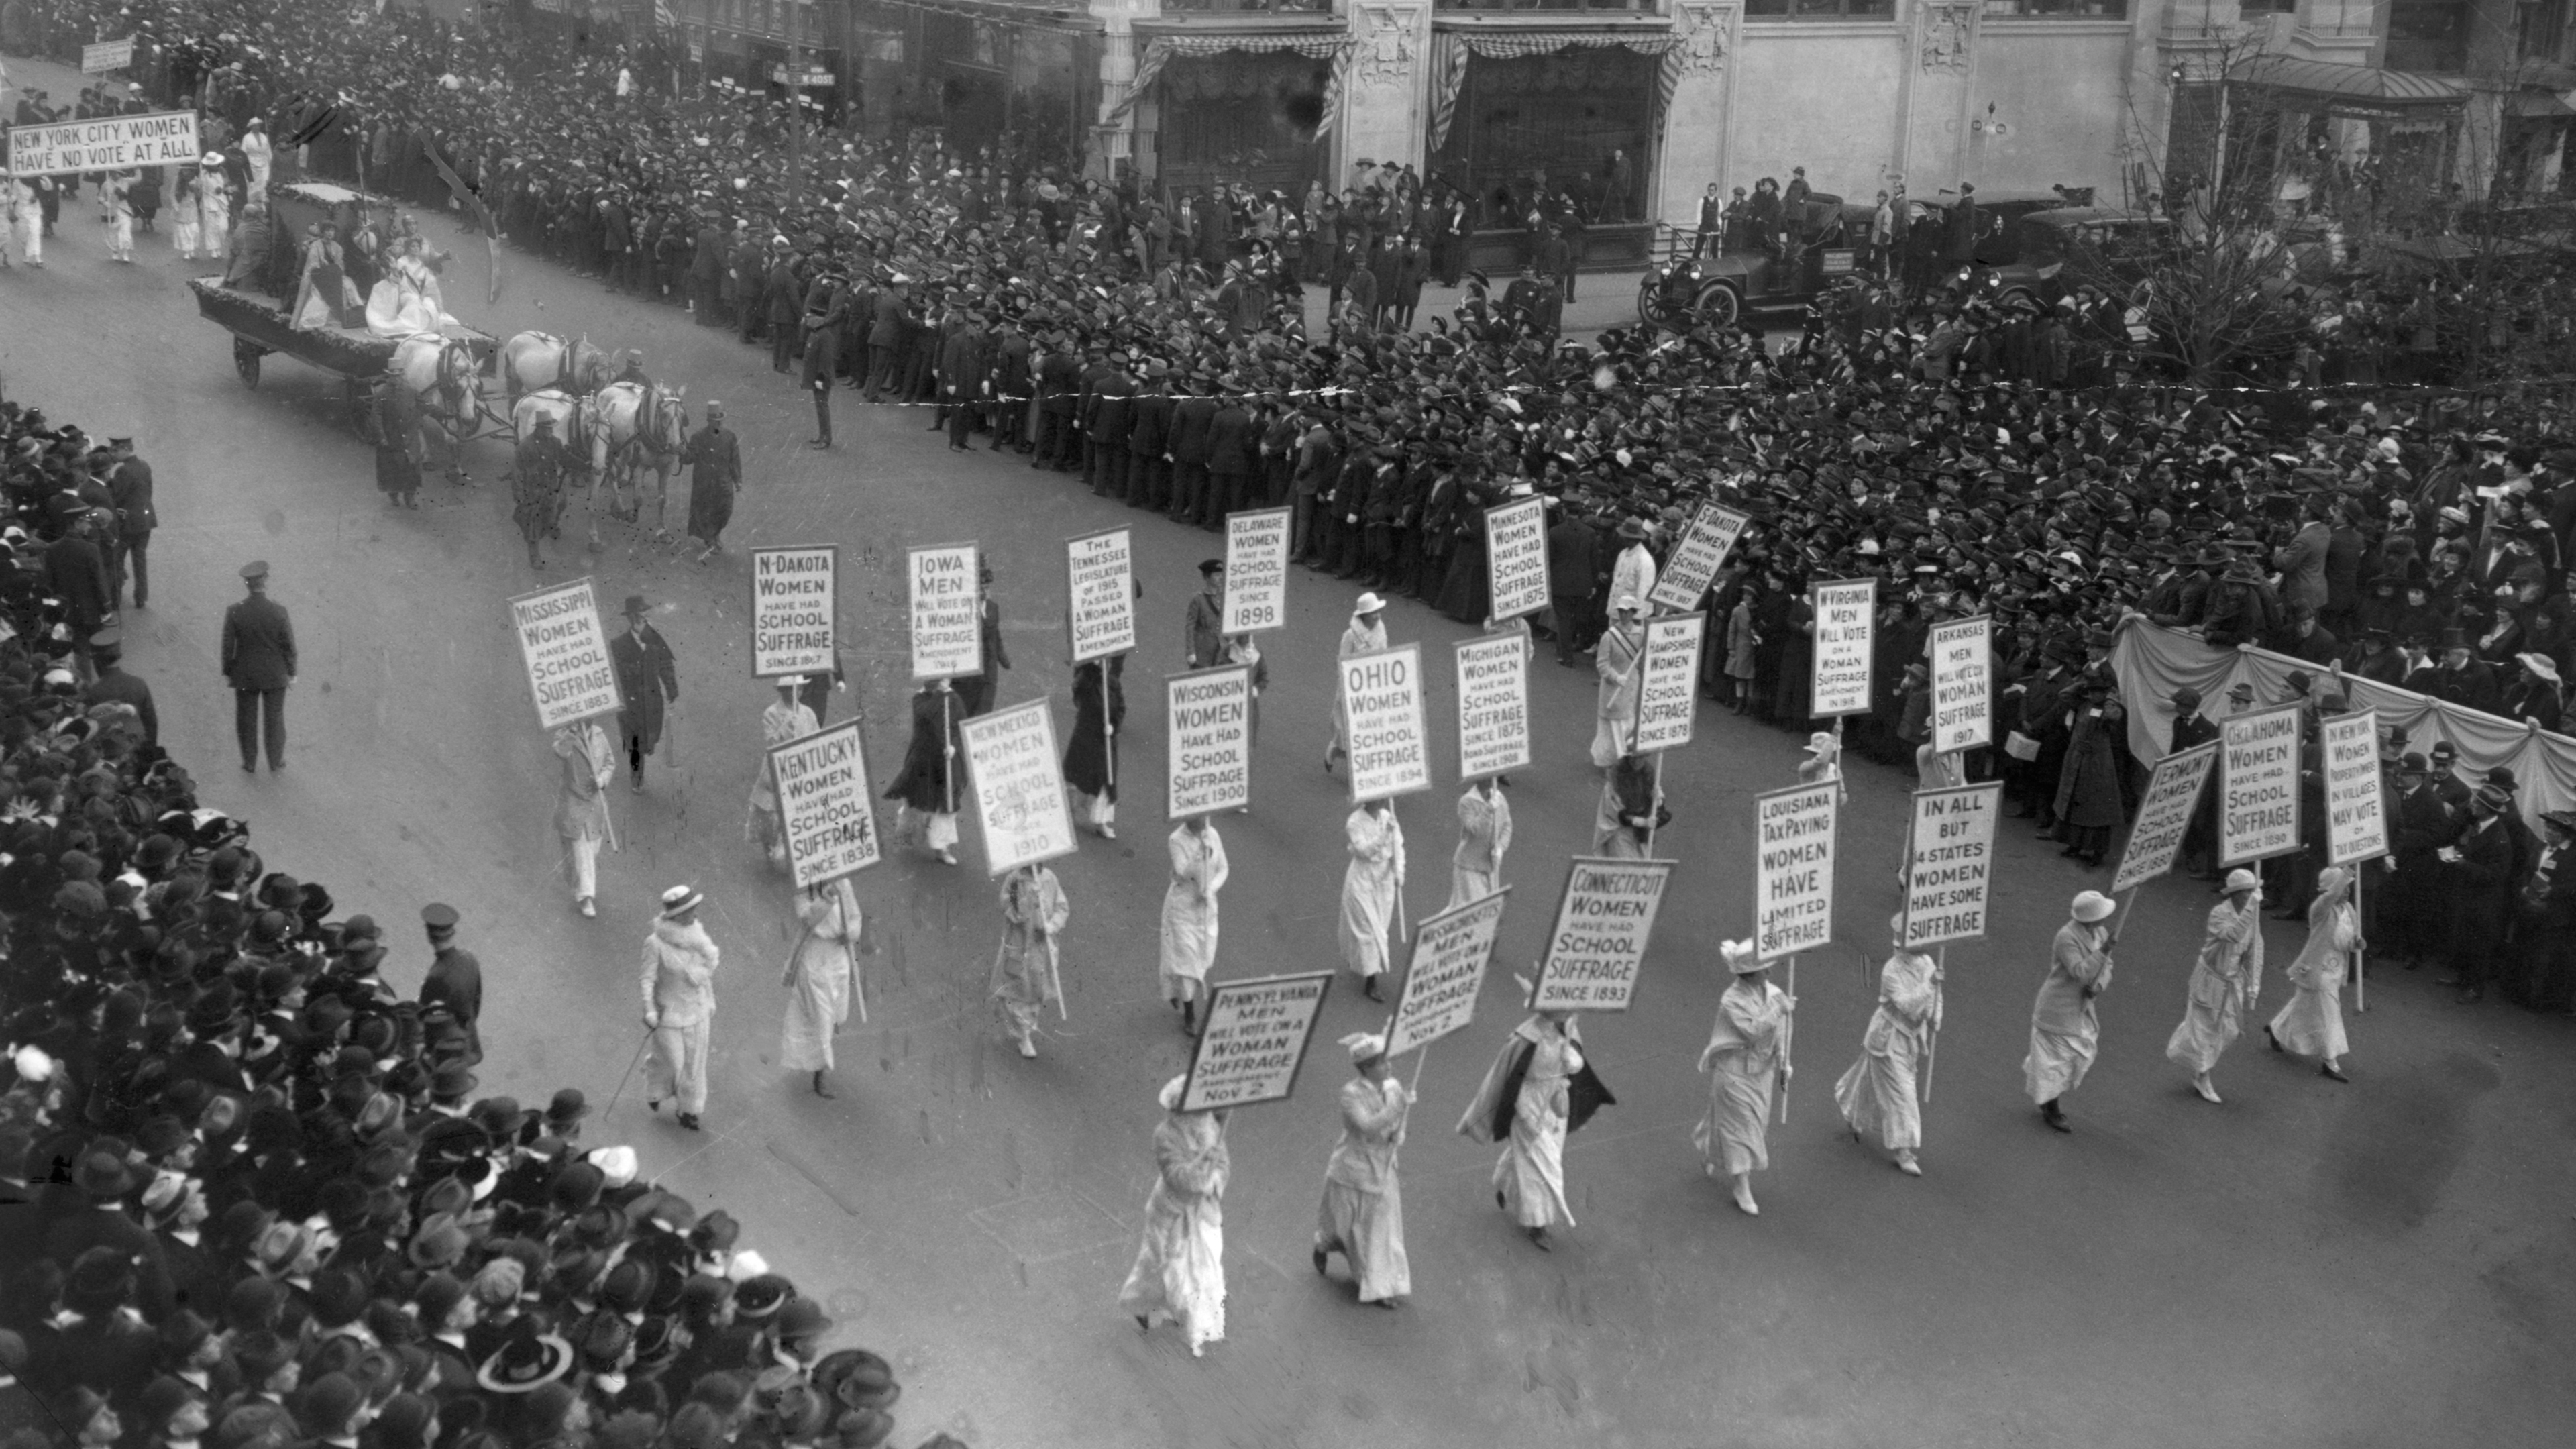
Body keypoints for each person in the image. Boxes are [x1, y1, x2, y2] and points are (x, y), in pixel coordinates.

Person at [1458, 980, 1611, 1252]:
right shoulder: (1525, 1039)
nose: (1567, 1012)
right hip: (1529, 1105)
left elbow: (1576, 1067)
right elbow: (1508, 1076)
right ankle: (1538, 1223)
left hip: (1555, 1107)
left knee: (1532, 1157)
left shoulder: (1569, 1032)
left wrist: (1570, 1057)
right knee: (1545, 1166)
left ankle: (1504, 1184)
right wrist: (1523, 1110)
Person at [1117, 1075, 1230, 1358]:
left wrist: (1216, 1175)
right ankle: (1143, 1303)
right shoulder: (1165, 1135)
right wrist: (1204, 1165)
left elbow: (1224, 1164)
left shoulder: (1211, 1127)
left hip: (1204, 1211)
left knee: (1205, 1267)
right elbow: (1176, 1176)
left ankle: (1199, 1325)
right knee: (1161, 1264)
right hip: (1170, 1212)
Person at [1834, 914, 1940, 1175]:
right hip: (1889, 1037)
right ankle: (1903, 1150)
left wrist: (1936, 1016)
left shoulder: (1927, 962)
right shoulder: (1892, 969)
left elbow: (1936, 997)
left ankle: (1852, 1111)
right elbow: (1906, 1005)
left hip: (1911, 1039)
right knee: (1902, 1094)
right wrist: (1930, 987)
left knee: (1869, 1079)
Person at [1312, 1032, 1413, 1308]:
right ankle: (1323, 1243)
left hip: (1384, 1168)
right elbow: (1366, 1126)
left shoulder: (1393, 1088)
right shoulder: (1350, 1094)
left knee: (1379, 1229)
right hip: (1353, 1168)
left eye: (1387, 1061)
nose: (1388, 1067)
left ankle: (1379, 1285)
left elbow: (1398, 1124)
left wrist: (1399, 1134)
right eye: (1381, 1063)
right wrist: (1396, 1109)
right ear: (1366, 1068)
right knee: (1344, 1222)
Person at [1695, 939, 1794, 1216]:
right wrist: (1779, 1009)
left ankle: (1708, 1144)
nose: (1770, 974)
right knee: (1743, 1128)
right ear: (1749, 973)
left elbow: (1780, 1030)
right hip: (1734, 1070)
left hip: (1761, 1072)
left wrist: (1784, 1059)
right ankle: (1741, 1185)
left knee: (1754, 1124)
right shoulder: (1732, 1000)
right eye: (1764, 969)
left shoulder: (1774, 993)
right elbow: (1754, 1030)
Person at [2165, 868, 2263, 1104]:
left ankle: (2190, 1044)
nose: (2250, 896)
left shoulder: (2253, 916)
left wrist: (2254, 986)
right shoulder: (2219, 914)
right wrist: (2252, 908)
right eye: (2247, 892)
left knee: (2228, 1030)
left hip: (2233, 982)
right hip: (2210, 980)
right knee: (2205, 1029)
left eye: (2253, 891)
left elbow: (2256, 950)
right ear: (2235, 894)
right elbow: (2233, 936)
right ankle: (2203, 1076)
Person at [2028, 890, 2118, 1132]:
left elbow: (2107, 966)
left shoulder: (2100, 933)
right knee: (2057, 1059)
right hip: (2058, 1007)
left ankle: (2049, 1096)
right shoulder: (2066, 937)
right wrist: (2103, 952)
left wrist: (2098, 986)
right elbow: (2079, 971)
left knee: (2077, 1054)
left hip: (2082, 1005)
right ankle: (2051, 1106)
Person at [2267, 864, 2358, 1081]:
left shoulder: (2350, 910)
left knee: (2302, 1004)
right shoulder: (2320, 909)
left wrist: (2357, 943)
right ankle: (2330, 1061)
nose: (2347, 891)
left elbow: (2348, 938)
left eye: (2349, 887)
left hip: (2336, 969)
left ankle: (2275, 1028)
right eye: (2344, 887)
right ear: (2330, 889)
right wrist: (2346, 873)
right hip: (2317, 969)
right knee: (2330, 1012)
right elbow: (2331, 896)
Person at [642, 883, 720, 1130]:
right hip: (669, 1012)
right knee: (673, 1062)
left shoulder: (698, 935)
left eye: (694, 909)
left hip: (697, 1009)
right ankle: (655, 1087)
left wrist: (703, 979)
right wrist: (649, 1009)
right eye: (688, 911)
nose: (694, 915)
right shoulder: (655, 943)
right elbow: (647, 978)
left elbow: (710, 962)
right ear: (674, 916)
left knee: (694, 1064)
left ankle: (689, 1109)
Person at [780, 876, 863, 1098]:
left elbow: (855, 915)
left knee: (835, 1013)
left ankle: (815, 1059)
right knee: (823, 1016)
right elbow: (808, 918)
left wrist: (852, 933)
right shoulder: (803, 890)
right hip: (815, 957)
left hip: (838, 957)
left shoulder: (844, 881)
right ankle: (821, 1072)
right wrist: (827, 898)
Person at [220, 559, 295, 773]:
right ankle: (275, 760)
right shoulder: (279, 611)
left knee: (246, 719)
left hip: (245, 675)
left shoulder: (235, 611)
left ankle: (250, 762)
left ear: (247, 584)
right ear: (265, 582)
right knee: (275, 718)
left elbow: (228, 646)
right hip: (274, 674)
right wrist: (292, 670)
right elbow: (288, 644)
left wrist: (228, 670)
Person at [1159, 814, 1227, 1036]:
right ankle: (1190, 1014)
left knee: (1203, 958)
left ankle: (1178, 989)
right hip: (1183, 909)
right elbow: (1182, 872)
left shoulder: (1213, 835)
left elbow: (1223, 868)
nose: (1203, 821)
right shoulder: (1176, 839)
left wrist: (1211, 889)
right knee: (1188, 962)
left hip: (1206, 909)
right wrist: (1200, 855)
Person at [991, 861, 1067, 1059]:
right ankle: (1023, 1035)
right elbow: (1012, 909)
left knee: (1037, 991)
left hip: (1042, 947)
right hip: (1020, 944)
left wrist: (1052, 926)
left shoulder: (1049, 878)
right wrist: (1027, 898)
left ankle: (1026, 1025)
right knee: (1018, 990)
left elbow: (1062, 907)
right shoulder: (1015, 880)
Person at [884, 678, 963, 865]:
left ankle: (941, 848)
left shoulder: (954, 698)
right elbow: (926, 715)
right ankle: (906, 832)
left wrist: (954, 746)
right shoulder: (919, 699)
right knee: (916, 800)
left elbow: (961, 726)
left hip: (946, 761)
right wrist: (939, 695)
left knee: (946, 805)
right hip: (923, 758)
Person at [1338, 797, 1405, 1002]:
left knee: (1381, 926)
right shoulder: (1354, 822)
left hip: (1384, 879)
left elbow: (1398, 847)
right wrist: (1385, 834)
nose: (1383, 801)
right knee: (1368, 929)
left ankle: (1360, 961)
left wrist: (1399, 871)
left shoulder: (1387, 817)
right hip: (1363, 879)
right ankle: (1371, 981)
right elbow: (1364, 851)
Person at [750, 677, 820, 869]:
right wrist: (788, 723)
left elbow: (817, 738)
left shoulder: (808, 713)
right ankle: (772, 845)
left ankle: (794, 851)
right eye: (790, 689)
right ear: (782, 691)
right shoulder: (771, 713)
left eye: (799, 689)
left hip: (803, 768)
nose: (796, 692)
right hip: (778, 768)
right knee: (772, 812)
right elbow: (772, 743)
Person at [610, 594, 678, 792]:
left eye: (647, 617)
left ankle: (638, 767)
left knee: (649, 738)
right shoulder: (619, 644)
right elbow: (616, 675)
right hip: (629, 704)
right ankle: (636, 777)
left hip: (650, 701)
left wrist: (671, 688)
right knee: (634, 743)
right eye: (641, 618)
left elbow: (666, 664)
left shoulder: (655, 639)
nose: (646, 621)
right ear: (632, 619)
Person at [551, 712, 614, 918]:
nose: (588, 720)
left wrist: (603, 780)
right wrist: (571, 733)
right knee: (581, 850)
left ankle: (578, 882)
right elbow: (560, 752)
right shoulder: (566, 735)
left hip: (595, 804)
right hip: (574, 802)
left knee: (590, 849)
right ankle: (586, 896)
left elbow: (609, 763)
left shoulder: (599, 735)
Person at [1326, 592, 1387, 771]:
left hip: (1375, 686)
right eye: (1372, 613)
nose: (1376, 616)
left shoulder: (1381, 631)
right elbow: (1342, 661)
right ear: (1363, 616)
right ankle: (1335, 750)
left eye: (1377, 612)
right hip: (1354, 688)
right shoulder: (1350, 636)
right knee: (1351, 729)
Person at [1064, 656, 1124, 839]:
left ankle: (1101, 822)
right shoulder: (1086, 680)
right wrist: (1091, 668)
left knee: (1106, 781)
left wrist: (1114, 725)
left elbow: (1121, 707)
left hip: (1106, 740)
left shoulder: (1113, 683)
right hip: (1087, 737)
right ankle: (1072, 809)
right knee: (1082, 779)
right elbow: (1078, 692)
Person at [418, 903, 484, 1064]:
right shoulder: (469, 958)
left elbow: (424, 1017)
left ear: (429, 935)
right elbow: (476, 1000)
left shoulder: (436, 976)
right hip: (470, 1037)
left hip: (447, 1047)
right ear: (452, 932)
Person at [680, 400, 741, 561]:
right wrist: (682, 452)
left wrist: (738, 480)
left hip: (723, 482)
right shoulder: (698, 437)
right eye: (715, 420)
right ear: (709, 420)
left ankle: (716, 534)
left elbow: (734, 460)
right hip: (704, 483)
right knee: (706, 512)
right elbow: (689, 459)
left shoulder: (730, 437)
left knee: (725, 510)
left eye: (720, 420)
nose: (718, 423)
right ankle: (710, 539)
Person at [1590, 596, 1644, 769]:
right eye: (1621, 611)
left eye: (1627, 612)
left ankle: (1620, 759)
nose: (1624, 615)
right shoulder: (1610, 635)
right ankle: (1618, 763)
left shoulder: (1641, 634)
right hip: (1613, 690)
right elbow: (1602, 664)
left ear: (1633, 613)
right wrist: (1615, 676)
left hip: (1631, 687)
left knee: (1629, 725)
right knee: (1615, 728)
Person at [511, 414, 570, 572]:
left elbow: (566, 459)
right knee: (533, 526)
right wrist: (519, 496)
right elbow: (517, 472)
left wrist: (584, 464)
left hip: (551, 490)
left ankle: (550, 527)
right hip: (532, 493)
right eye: (547, 428)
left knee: (550, 519)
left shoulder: (555, 443)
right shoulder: (525, 446)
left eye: (551, 428)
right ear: (539, 428)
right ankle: (534, 557)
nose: (551, 431)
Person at [83, 627, 156, 749]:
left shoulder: (94, 691)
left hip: (111, 750)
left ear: (97, 662)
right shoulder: (138, 683)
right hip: (139, 745)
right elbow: (150, 721)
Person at [106, 437, 155, 609]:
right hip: (145, 519)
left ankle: (116, 599)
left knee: (118, 560)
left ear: (126, 449)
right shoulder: (144, 465)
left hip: (127, 523)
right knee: (140, 560)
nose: (113, 454)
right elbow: (149, 491)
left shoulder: (123, 471)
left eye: (116, 450)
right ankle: (141, 598)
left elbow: (117, 496)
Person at [1449, 775, 1512, 906]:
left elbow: (1507, 826)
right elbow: (1476, 831)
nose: (1490, 779)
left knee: (1486, 910)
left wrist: (1500, 847)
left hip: (1491, 867)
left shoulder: (1499, 798)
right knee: (1473, 911)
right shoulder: (1466, 802)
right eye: (1486, 776)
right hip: (1469, 867)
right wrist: (1488, 809)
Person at [1184, 559, 1226, 669]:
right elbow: (1190, 627)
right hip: (1202, 651)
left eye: (1221, 575)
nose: (1220, 578)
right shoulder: (1198, 600)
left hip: (1221, 651)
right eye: (1216, 575)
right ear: (1207, 577)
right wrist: (1190, 652)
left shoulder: (1225, 597)